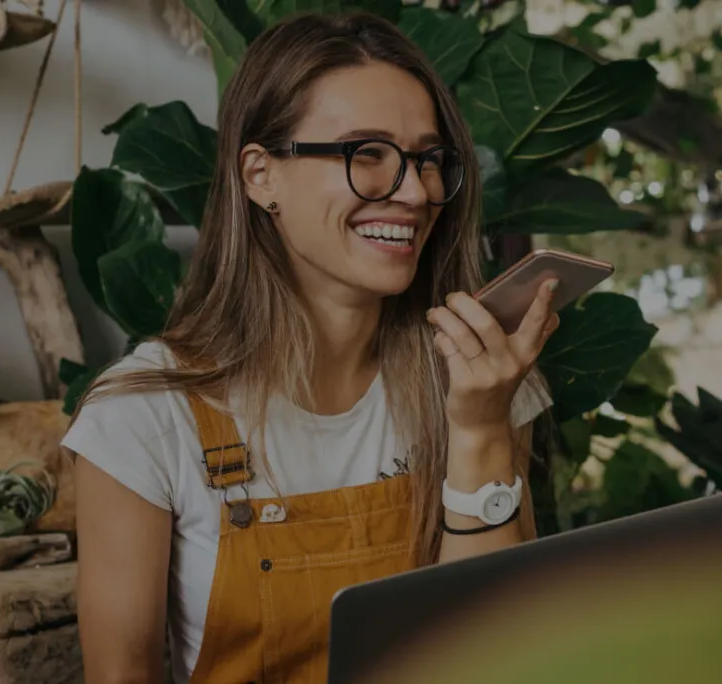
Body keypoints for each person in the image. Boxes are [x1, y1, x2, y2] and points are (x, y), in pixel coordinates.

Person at [61, 11, 558, 684]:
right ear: (261, 175)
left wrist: (479, 430)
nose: (416, 192)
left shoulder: (481, 376)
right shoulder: (144, 417)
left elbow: (496, 656)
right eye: (366, 154)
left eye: (429, 159)